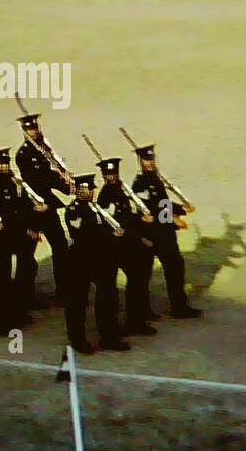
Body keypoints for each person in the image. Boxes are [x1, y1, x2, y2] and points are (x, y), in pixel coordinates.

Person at [131, 144, 202, 319]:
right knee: (143, 274)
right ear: (140, 161)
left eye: (151, 159)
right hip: (151, 234)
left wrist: (182, 209)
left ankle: (179, 306)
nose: (150, 163)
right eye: (146, 160)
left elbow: (163, 202)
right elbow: (149, 208)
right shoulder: (140, 184)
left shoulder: (155, 178)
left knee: (175, 268)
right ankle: (143, 311)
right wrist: (173, 218)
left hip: (165, 233)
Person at [64, 174, 130, 353]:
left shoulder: (96, 208)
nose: (90, 192)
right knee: (77, 302)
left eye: (92, 188)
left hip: (102, 259)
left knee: (108, 298)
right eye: (86, 189)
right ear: (78, 191)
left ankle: (109, 336)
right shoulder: (73, 210)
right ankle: (77, 339)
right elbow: (84, 235)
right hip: (81, 260)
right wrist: (110, 237)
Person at [97, 156, 157, 336]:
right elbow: (108, 224)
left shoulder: (122, 191)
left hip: (128, 243)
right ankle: (121, 326)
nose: (112, 177)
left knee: (137, 281)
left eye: (114, 173)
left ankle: (137, 319)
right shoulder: (105, 196)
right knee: (113, 290)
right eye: (108, 174)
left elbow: (128, 218)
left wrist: (141, 222)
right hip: (114, 247)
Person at [15, 114, 70, 305]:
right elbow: (40, 179)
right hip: (32, 209)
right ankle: (23, 296)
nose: (35, 131)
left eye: (36, 128)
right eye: (31, 129)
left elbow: (51, 175)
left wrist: (67, 184)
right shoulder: (23, 154)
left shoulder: (44, 150)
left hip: (48, 209)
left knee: (61, 247)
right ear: (24, 132)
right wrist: (61, 182)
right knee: (26, 253)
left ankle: (64, 292)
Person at [0, 147, 39, 333]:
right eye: (0, 164)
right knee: (2, 278)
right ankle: (4, 318)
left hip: (18, 234)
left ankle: (20, 306)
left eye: (6, 163)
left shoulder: (15, 182)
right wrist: (26, 230)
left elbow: (24, 205)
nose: (4, 166)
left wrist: (31, 227)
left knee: (28, 267)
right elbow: (7, 214)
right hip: (4, 237)